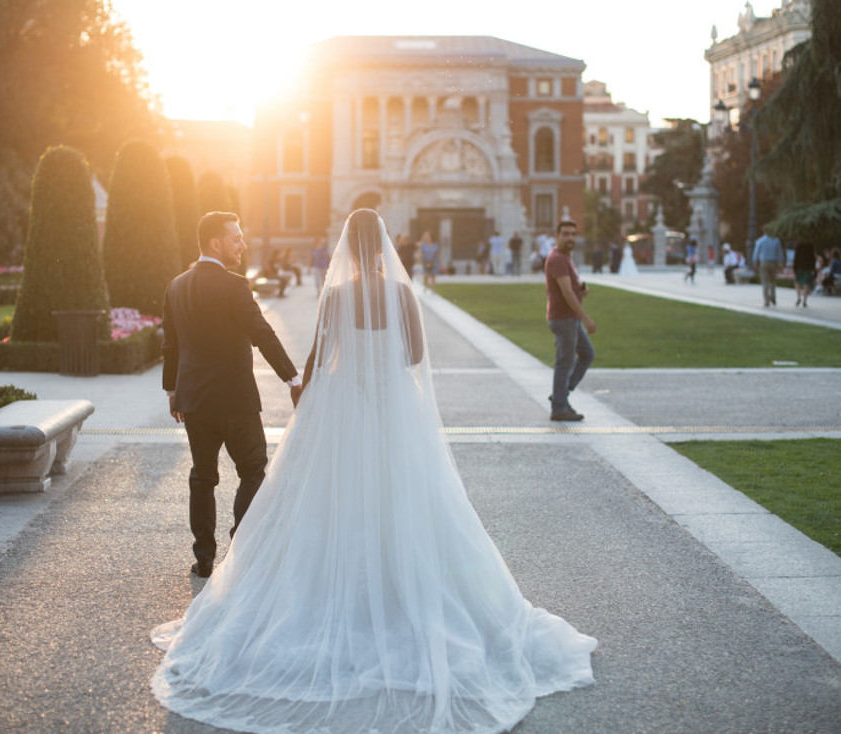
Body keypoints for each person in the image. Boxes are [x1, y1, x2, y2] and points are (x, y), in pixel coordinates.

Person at [151, 209, 596, 734]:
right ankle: (398, 586)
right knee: (404, 498)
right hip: (390, 405)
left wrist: (305, 388)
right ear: (383, 245)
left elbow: (320, 354)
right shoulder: (402, 294)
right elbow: (414, 356)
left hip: (343, 406)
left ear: (345, 246)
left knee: (330, 501)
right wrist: (378, 365)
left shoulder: (337, 295)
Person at [160, 211, 303, 579]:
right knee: (253, 470)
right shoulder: (234, 285)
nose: (242, 244)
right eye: (236, 238)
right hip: (236, 400)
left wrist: (172, 390)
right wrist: (292, 379)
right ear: (215, 243)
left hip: (193, 401)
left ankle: (204, 558)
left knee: (202, 477)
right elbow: (262, 332)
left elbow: (170, 346)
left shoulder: (175, 286)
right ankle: (239, 547)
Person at [545, 219, 596, 422]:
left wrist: (581, 292)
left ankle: (560, 394)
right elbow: (566, 292)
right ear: (557, 236)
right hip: (564, 318)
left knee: (586, 354)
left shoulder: (566, 257)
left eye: (573, 234)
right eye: (565, 234)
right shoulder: (557, 258)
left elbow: (571, 289)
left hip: (569, 318)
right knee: (564, 363)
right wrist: (586, 318)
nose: (570, 237)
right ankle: (559, 407)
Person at [753, 229, 785, 306]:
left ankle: (766, 301)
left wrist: (755, 262)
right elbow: (780, 253)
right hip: (774, 262)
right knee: (773, 281)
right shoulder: (776, 240)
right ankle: (773, 297)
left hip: (764, 263)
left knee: (765, 282)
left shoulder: (760, 241)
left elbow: (756, 253)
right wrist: (781, 262)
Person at [792, 241, 816, 308]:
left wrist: (794, 267)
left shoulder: (798, 245)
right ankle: (805, 300)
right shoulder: (810, 245)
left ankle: (799, 296)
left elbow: (796, 257)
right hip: (808, 267)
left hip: (799, 267)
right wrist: (813, 268)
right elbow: (812, 258)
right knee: (806, 283)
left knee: (797, 282)